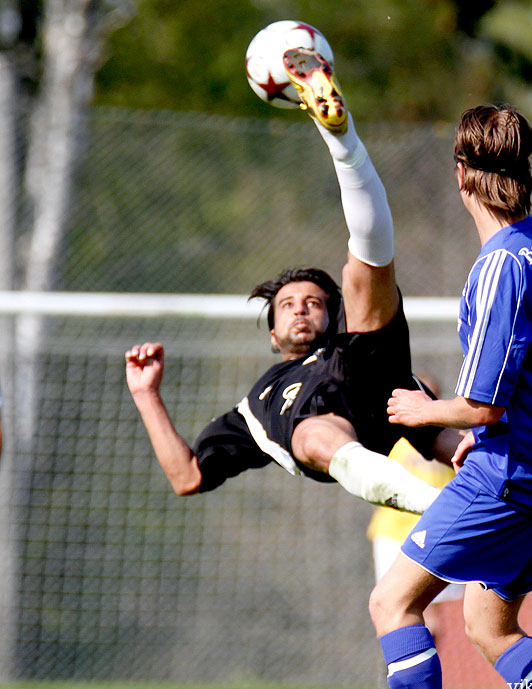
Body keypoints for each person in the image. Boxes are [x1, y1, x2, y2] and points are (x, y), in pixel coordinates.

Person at [125, 48, 459, 515]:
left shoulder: (343, 335)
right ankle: (442, 511)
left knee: (360, 269)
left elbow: (445, 439)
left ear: (329, 314)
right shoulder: (254, 408)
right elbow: (187, 477)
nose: (301, 307)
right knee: (312, 433)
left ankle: (340, 137)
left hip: (364, 368)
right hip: (328, 433)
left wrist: (479, 464)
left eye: (313, 303)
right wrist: (146, 394)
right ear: (271, 334)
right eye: (287, 304)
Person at [370, 105, 532, 689]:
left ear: (460, 172)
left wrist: (423, 410)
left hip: (510, 475)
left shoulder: (499, 265)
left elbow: (482, 406)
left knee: (392, 603)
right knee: (488, 624)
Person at [366, 374, 463, 639]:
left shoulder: (451, 439)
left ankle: (422, 672)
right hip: (393, 533)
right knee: (391, 606)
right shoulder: (390, 434)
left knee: (430, 614)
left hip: (436, 532)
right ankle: (397, 672)